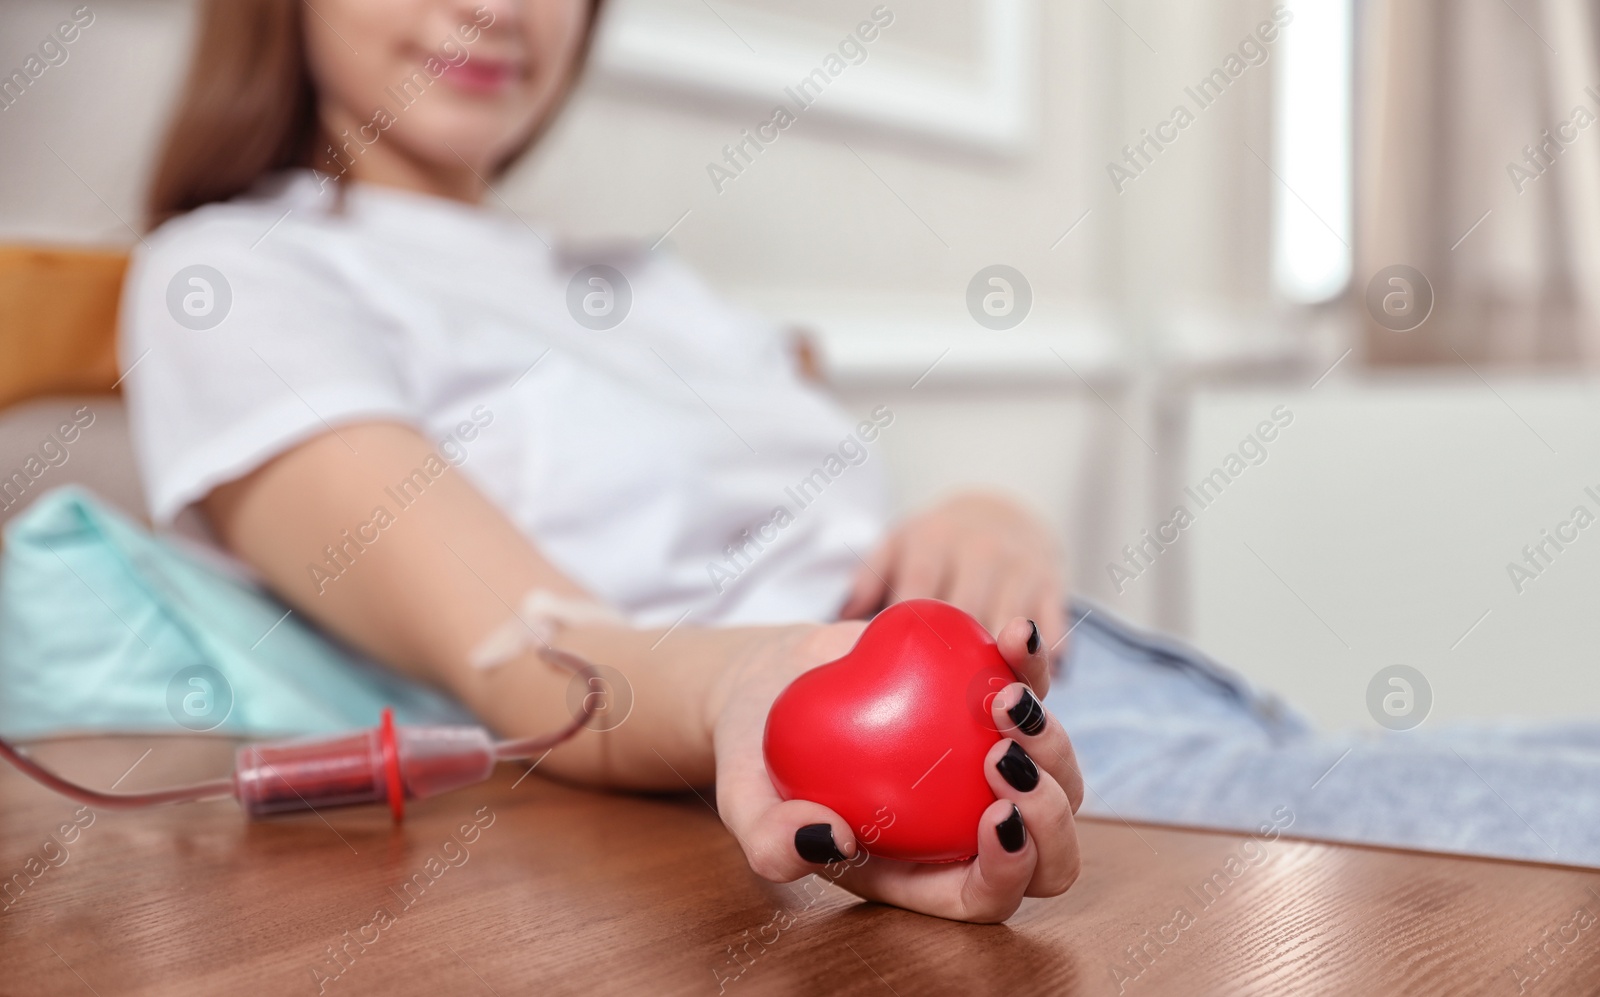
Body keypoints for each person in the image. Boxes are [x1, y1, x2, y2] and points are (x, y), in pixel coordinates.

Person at [121, 0, 1080, 923]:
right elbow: (532, 663)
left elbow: (842, 522)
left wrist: (994, 517)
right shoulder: (233, 277)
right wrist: (744, 687)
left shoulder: (641, 280)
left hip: (1047, 688)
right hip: (889, 772)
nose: (498, 9)